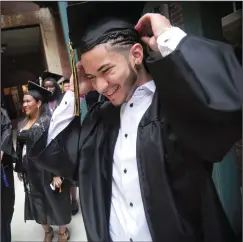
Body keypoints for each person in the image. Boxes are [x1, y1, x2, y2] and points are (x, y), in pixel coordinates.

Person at [29, 2, 242, 242]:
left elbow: (227, 107)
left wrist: (168, 37)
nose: (99, 86)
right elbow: (59, 158)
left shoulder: (175, 105)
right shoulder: (100, 120)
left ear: (136, 55)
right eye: (91, 76)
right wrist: (73, 92)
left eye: (106, 70)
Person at [15, 81, 71, 242]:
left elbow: (57, 148)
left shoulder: (49, 122)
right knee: (37, 200)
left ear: (38, 103)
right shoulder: (21, 124)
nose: (24, 104)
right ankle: (47, 231)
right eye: (23, 101)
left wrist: (56, 173)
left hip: (48, 170)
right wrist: (21, 168)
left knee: (56, 199)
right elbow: (20, 148)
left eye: (28, 101)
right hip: (31, 171)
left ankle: (62, 231)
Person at [58, 77, 80, 216]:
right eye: (65, 87)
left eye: (68, 86)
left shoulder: (76, 101)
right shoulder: (57, 102)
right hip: (58, 142)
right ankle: (64, 200)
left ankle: (73, 200)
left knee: (71, 174)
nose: (67, 88)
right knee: (60, 174)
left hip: (71, 140)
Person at [1, 105, 17, 242]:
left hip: (2, 168)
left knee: (5, 207)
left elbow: (6, 131)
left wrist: (1, 151)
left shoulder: (2, 114)